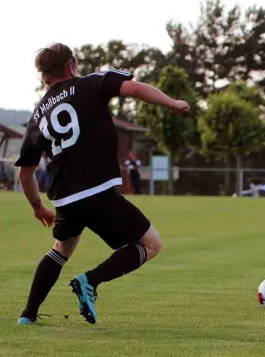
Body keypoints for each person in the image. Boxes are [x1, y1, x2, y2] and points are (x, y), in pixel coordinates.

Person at [14, 43, 190, 325]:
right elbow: (134, 88)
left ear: (44, 77)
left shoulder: (37, 116)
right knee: (152, 245)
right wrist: (173, 103)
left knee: (62, 248)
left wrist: (38, 208)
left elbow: (25, 173)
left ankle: (27, 315)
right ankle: (90, 281)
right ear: (72, 65)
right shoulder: (91, 83)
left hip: (63, 198)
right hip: (95, 191)